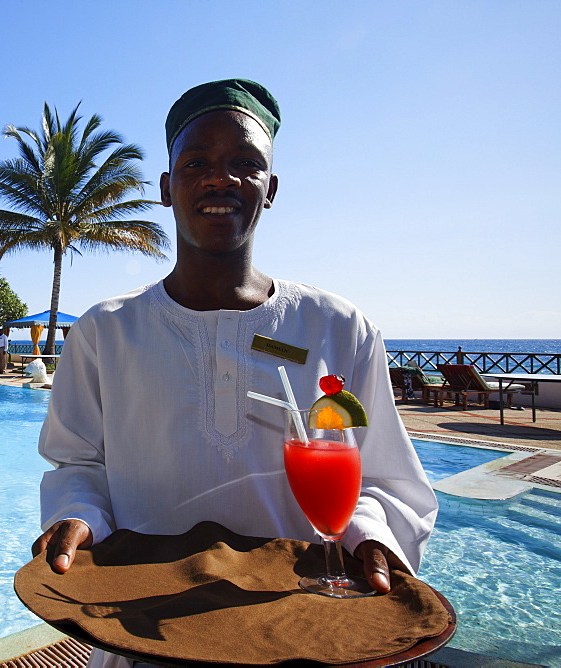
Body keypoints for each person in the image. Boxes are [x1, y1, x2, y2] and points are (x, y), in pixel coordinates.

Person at [33, 79, 438, 665]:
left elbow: (385, 478)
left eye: (245, 164)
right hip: (142, 630)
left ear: (270, 189)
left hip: (300, 630)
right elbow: (78, 464)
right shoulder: (106, 331)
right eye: (197, 161)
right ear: (168, 188)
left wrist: (371, 535)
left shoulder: (338, 328)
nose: (220, 178)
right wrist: (78, 516)